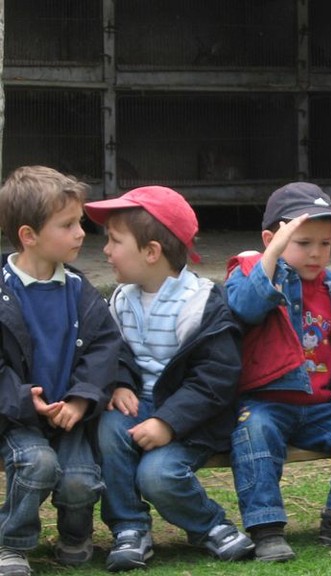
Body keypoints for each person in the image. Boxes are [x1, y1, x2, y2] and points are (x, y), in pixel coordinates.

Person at [84, 186, 254, 572]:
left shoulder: (202, 304)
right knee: (108, 427)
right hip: (138, 406)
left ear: (151, 252)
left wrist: (168, 421)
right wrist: (120, 382)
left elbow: (215, 378)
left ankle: (210, 525)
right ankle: (129, 528)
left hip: (192, 418)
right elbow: (112, 351)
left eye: (114, 241)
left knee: (157, 475)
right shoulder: (121, 299)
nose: (105, 250)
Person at [224, 182, 331, 562]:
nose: (316, 253)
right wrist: (272, 255)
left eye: (325, 243)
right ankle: (266, 528)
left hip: (321, 407)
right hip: (266, 403)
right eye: (303, 243)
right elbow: (246, 307)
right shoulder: (250, 272)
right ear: (272, 240)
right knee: (255, 431)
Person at [0, 166, 121, 576]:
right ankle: (12, 543)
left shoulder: (81, 290)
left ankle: (75, 535)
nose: (80, 233)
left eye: (80, 222)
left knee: (80, 480)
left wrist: (82, 398)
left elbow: (104, 348)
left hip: (70, 417)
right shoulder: (3, 291)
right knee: (37, 465)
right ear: (28, 235)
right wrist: (22, 399)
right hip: (16, 418)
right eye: (67, 225)